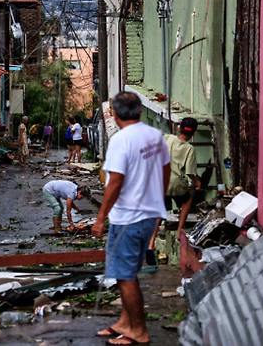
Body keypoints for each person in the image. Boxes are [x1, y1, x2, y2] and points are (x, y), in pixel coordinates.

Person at [91, 91, 171, 345]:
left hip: (127, 219)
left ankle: (138, 331)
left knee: (124, 276)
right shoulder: (154, 135)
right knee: (130, 272)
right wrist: (158, 197)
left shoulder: (120, 140)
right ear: (139, 111)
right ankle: (125, 322)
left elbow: (115, 182)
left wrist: (100, 218)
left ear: (114, 114)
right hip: (147, 217)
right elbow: (165, 169)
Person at [164, 117, 201, 239]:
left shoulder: (167, 138)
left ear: (179, 129)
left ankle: (151, 242)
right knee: (186, 201)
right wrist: (197, 182)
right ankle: (180, 230)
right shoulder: (189, 148)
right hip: (176, 183)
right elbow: (190, 172)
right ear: (194, 133)